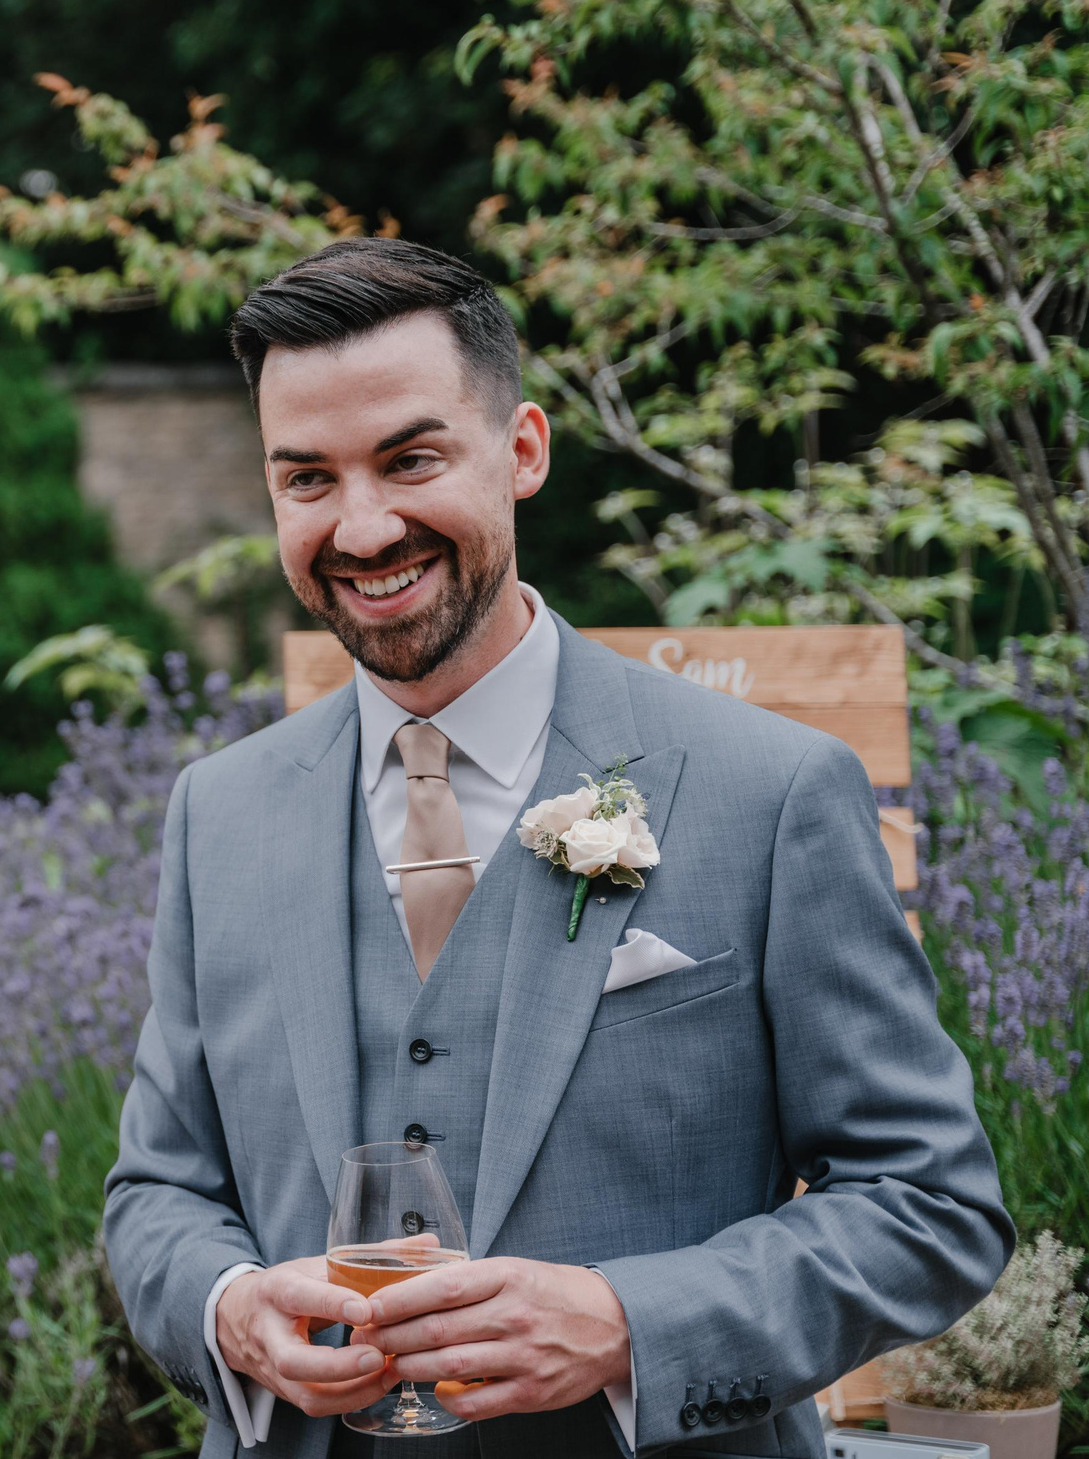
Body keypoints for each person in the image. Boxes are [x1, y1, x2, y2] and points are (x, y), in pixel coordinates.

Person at [102, 238, 1011, 1458]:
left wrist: (629, 1324)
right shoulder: (220, 812)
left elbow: (930, 1203)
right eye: (307, 478)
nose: (362, 526)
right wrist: (229, 1309)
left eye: (411, 459)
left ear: (522, 449)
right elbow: (157, 1193)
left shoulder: (771, 790)